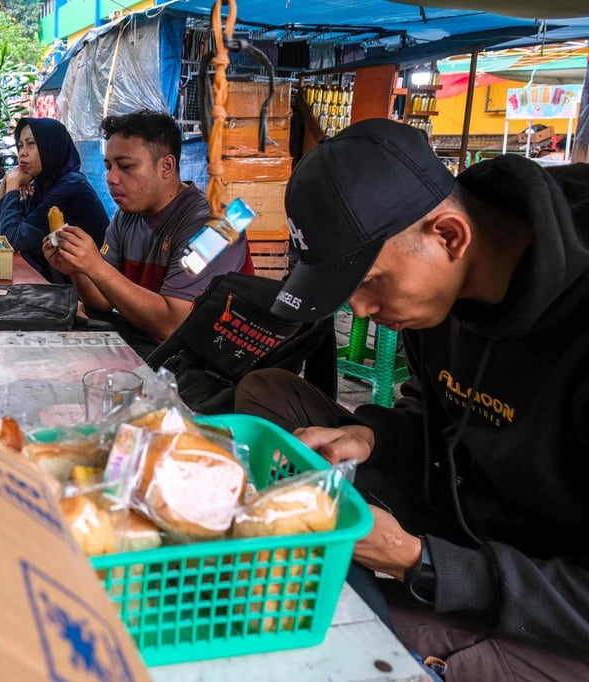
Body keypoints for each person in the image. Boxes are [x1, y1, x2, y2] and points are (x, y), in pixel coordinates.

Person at [235, 117, 589, 679]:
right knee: (270, 399)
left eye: (369, 282)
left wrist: (417, 561)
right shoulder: (447, 290)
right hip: (458, 509)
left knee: (340, 637)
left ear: (448, 235)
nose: (360, 310)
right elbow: (435, 408)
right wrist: (369, 435)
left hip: (547, 595)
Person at [43, 109, 250, 358]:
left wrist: (96, 267)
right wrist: (77, 268)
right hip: (145, 342)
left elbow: (172, 325)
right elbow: (101, 300)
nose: (111, 178)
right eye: (108, 167)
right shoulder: (126, 216)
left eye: (126, 166)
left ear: (166, 166)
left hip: (202, 361)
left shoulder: (217, 229)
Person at [0, 117, 108, 284]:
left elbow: (13, 241)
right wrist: (6, 182)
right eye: (20, 145)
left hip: (90, 293)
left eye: (31, 144)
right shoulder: (40, 183)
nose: (23, 152)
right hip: (53, 282)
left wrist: (12, 187)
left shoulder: (70, 187)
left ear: (51, 147)